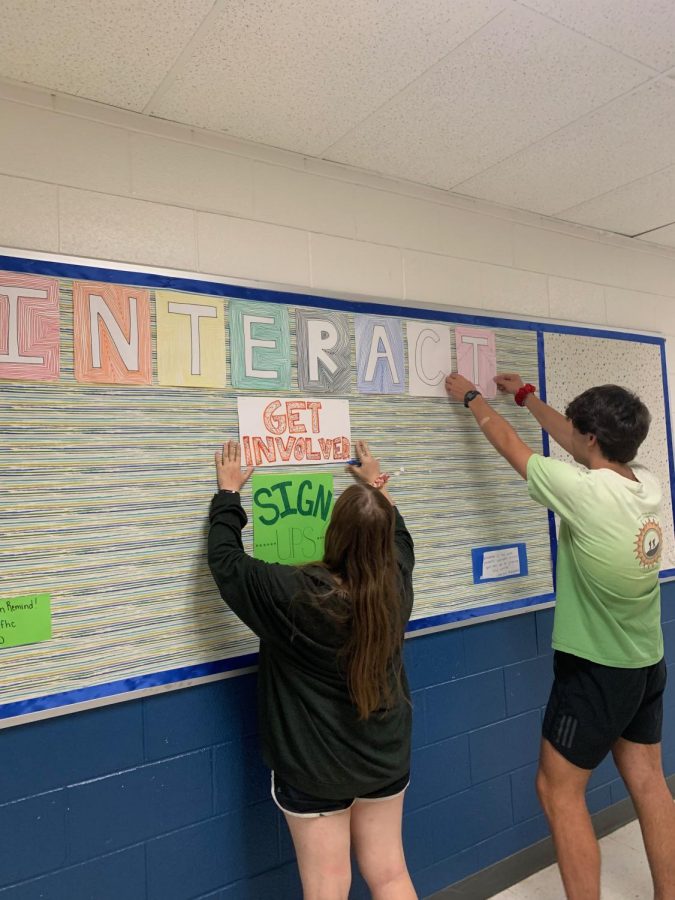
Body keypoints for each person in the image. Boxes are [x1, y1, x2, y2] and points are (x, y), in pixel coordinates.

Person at [445, 372, 675, 900]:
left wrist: (473, 398)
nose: (572, 439)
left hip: (597, 669)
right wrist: (526, 395)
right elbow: (573, 440)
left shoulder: (584, 492)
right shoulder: (645, 483)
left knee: (559, 790)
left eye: (578, 434)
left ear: (591, 440)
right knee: (648, 780)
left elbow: (512, 446)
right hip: (646, 662)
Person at [208, 439, 417, 900]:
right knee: (390, 875)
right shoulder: (397, 585)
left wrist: (228, 495)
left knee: (327, 886)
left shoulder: (296, 594)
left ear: (332, 534)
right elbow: (400, 538)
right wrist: (376, 488)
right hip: (384, 755)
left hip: (313, 769)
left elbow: (226, 562)